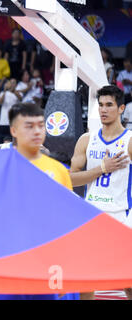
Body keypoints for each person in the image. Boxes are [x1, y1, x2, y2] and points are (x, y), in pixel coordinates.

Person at [0, 103, 78, 300]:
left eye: (40, 125)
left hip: (46, 263)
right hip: (7, 260)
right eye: (29, 126)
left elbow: (66, 221)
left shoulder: (59, 170)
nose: (37, 131)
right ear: (13, 130)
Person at [70, 85, 132, 300]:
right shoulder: (86, 140)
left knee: (128, 280)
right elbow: (70, 178)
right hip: (92, 215)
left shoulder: (130, 141)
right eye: (101, 105)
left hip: (121, 215)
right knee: (85, 278)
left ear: (121, 108)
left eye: (109, 105)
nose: (103, 110)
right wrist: (101, 169)